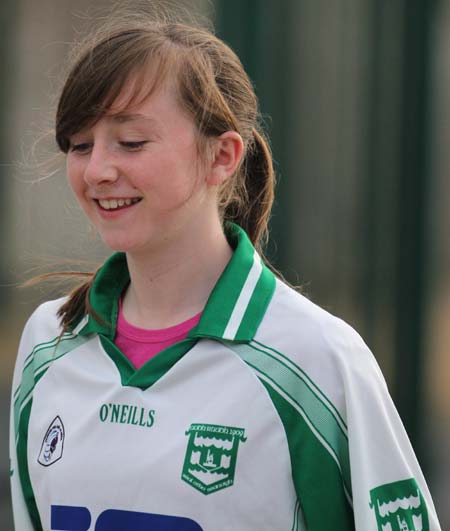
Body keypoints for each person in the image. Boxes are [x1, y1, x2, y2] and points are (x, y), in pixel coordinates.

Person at [9, 11, 441, 531]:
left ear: (222, 157)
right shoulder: (46, 345)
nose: (98, 169)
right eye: (80, 145)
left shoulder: (317, 361)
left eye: (130, 142)